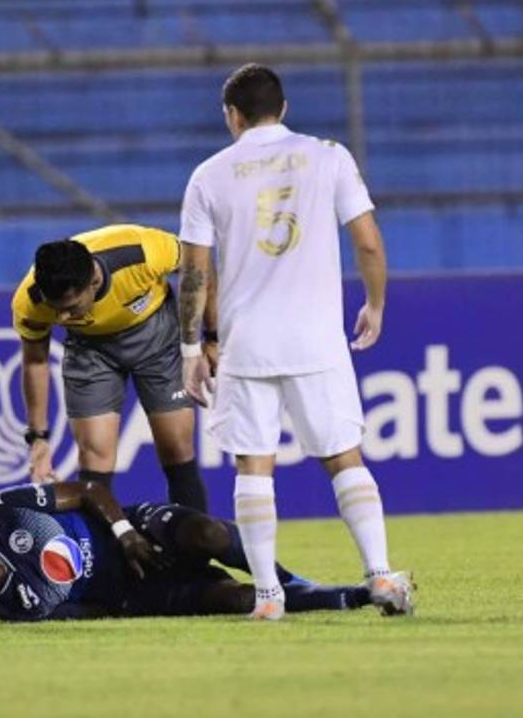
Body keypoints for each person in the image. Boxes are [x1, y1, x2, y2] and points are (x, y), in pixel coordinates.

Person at [175, 63, 414, 621]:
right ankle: (379, 575)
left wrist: (193, 350)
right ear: (281, 108)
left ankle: (266, 597)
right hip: (316, 339)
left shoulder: (209, 175)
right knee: (343, 457)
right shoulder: (329, 155)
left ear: (232, 115)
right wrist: (375, 304)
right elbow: (369, 244)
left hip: (247, 341)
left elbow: (193, 273)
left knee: (253, 466)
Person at [0, 480, 372, 622]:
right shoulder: (19, 609)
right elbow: (91, 612)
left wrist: (125, 533)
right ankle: (349, 597)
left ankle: (291, 580)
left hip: (136, 530)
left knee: (209, 534)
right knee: (234, 602)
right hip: (136, 590)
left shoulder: (2, 514)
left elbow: (88, 490)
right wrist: (134, 599)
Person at [12, 225, 213, 511]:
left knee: (177, 449)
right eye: (55, 307)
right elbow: (35, 362)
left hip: (158, 338)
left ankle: (196, 550)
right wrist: (38, 438)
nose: (62, 316)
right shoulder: (30, 300)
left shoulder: (143, 251)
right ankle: (99, 552)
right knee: (94, 457)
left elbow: (199, 267)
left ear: (94, 281)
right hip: (90, 351)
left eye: (70, 306)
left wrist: (212, 337)